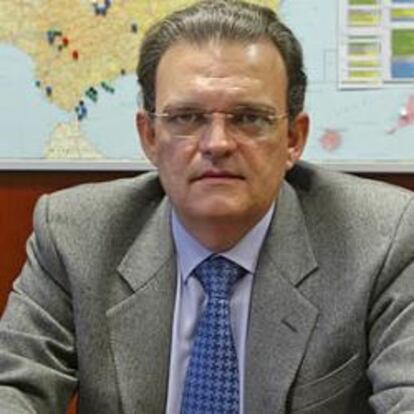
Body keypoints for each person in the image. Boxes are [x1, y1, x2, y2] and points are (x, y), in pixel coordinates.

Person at [1, 0, 414, 413]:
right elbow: (14, 388)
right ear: (149, 136)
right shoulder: (76, 235)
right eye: (187, 117)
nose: (217, 144)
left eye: (248, 117)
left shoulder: (379, 241)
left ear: (293, 138)